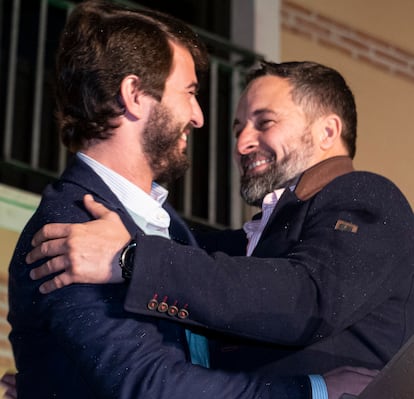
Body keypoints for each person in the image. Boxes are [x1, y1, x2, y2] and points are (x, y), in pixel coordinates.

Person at [6, 1, 375, 399]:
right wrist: (316, 395)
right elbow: (154, 391)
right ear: (134, 95)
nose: (199, 117)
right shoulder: (73, 227)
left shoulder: (166, 232)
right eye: (190, 92)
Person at [28, 58, 414, 380]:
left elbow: (307, 299)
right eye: (238, 128)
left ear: (328, 131)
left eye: (264, 123)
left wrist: (132, 258)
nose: (242, 143)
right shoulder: (241, 247)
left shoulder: (365, 196)